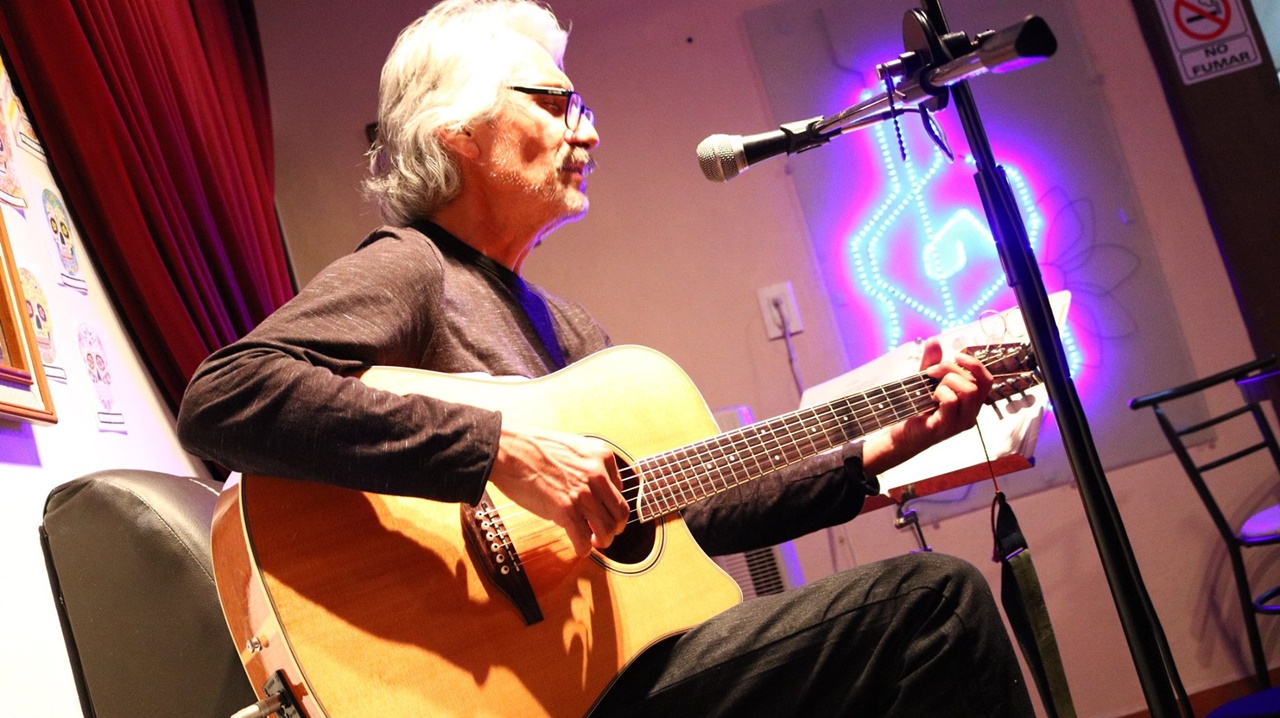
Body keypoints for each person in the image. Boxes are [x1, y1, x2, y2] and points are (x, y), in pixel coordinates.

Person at [177, 0, 1035, 715]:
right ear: (459, 130)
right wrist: (499, 453)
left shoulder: (569, 333)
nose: (587, 132)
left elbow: (696, 514)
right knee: (933, 604)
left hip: (614, 674)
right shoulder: (412, 270)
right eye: (557, 104)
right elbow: (225, 396)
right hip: (512, 690)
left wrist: (884, 447)